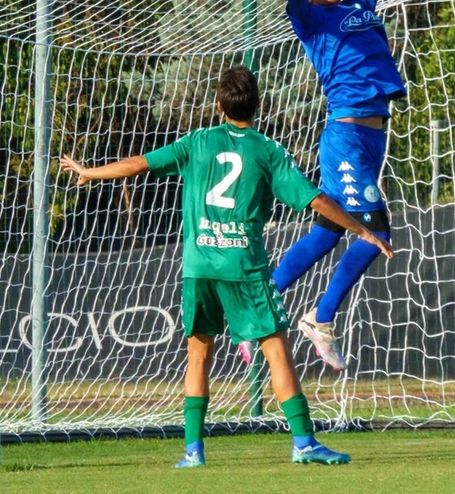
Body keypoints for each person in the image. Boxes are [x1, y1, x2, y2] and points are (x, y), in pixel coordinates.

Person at [59, 66, 393, 467]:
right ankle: (304, 442)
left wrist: (88, 172)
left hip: (199, 266)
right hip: (245, 268)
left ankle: (193, 451)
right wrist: (363, 230)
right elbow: (316, 200)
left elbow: (138, 163)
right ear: (258, 106)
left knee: (198, 354)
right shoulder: (268, 151)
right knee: (277, 353)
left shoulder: (197, 142)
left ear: (219, 106)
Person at [263, 0, 407, 371]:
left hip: (371, 137)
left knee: (328, 232)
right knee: (377, 235)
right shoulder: (310, 21)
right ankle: (320, 319)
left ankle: (262, 301)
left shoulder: (361, 5)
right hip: (345, 134)